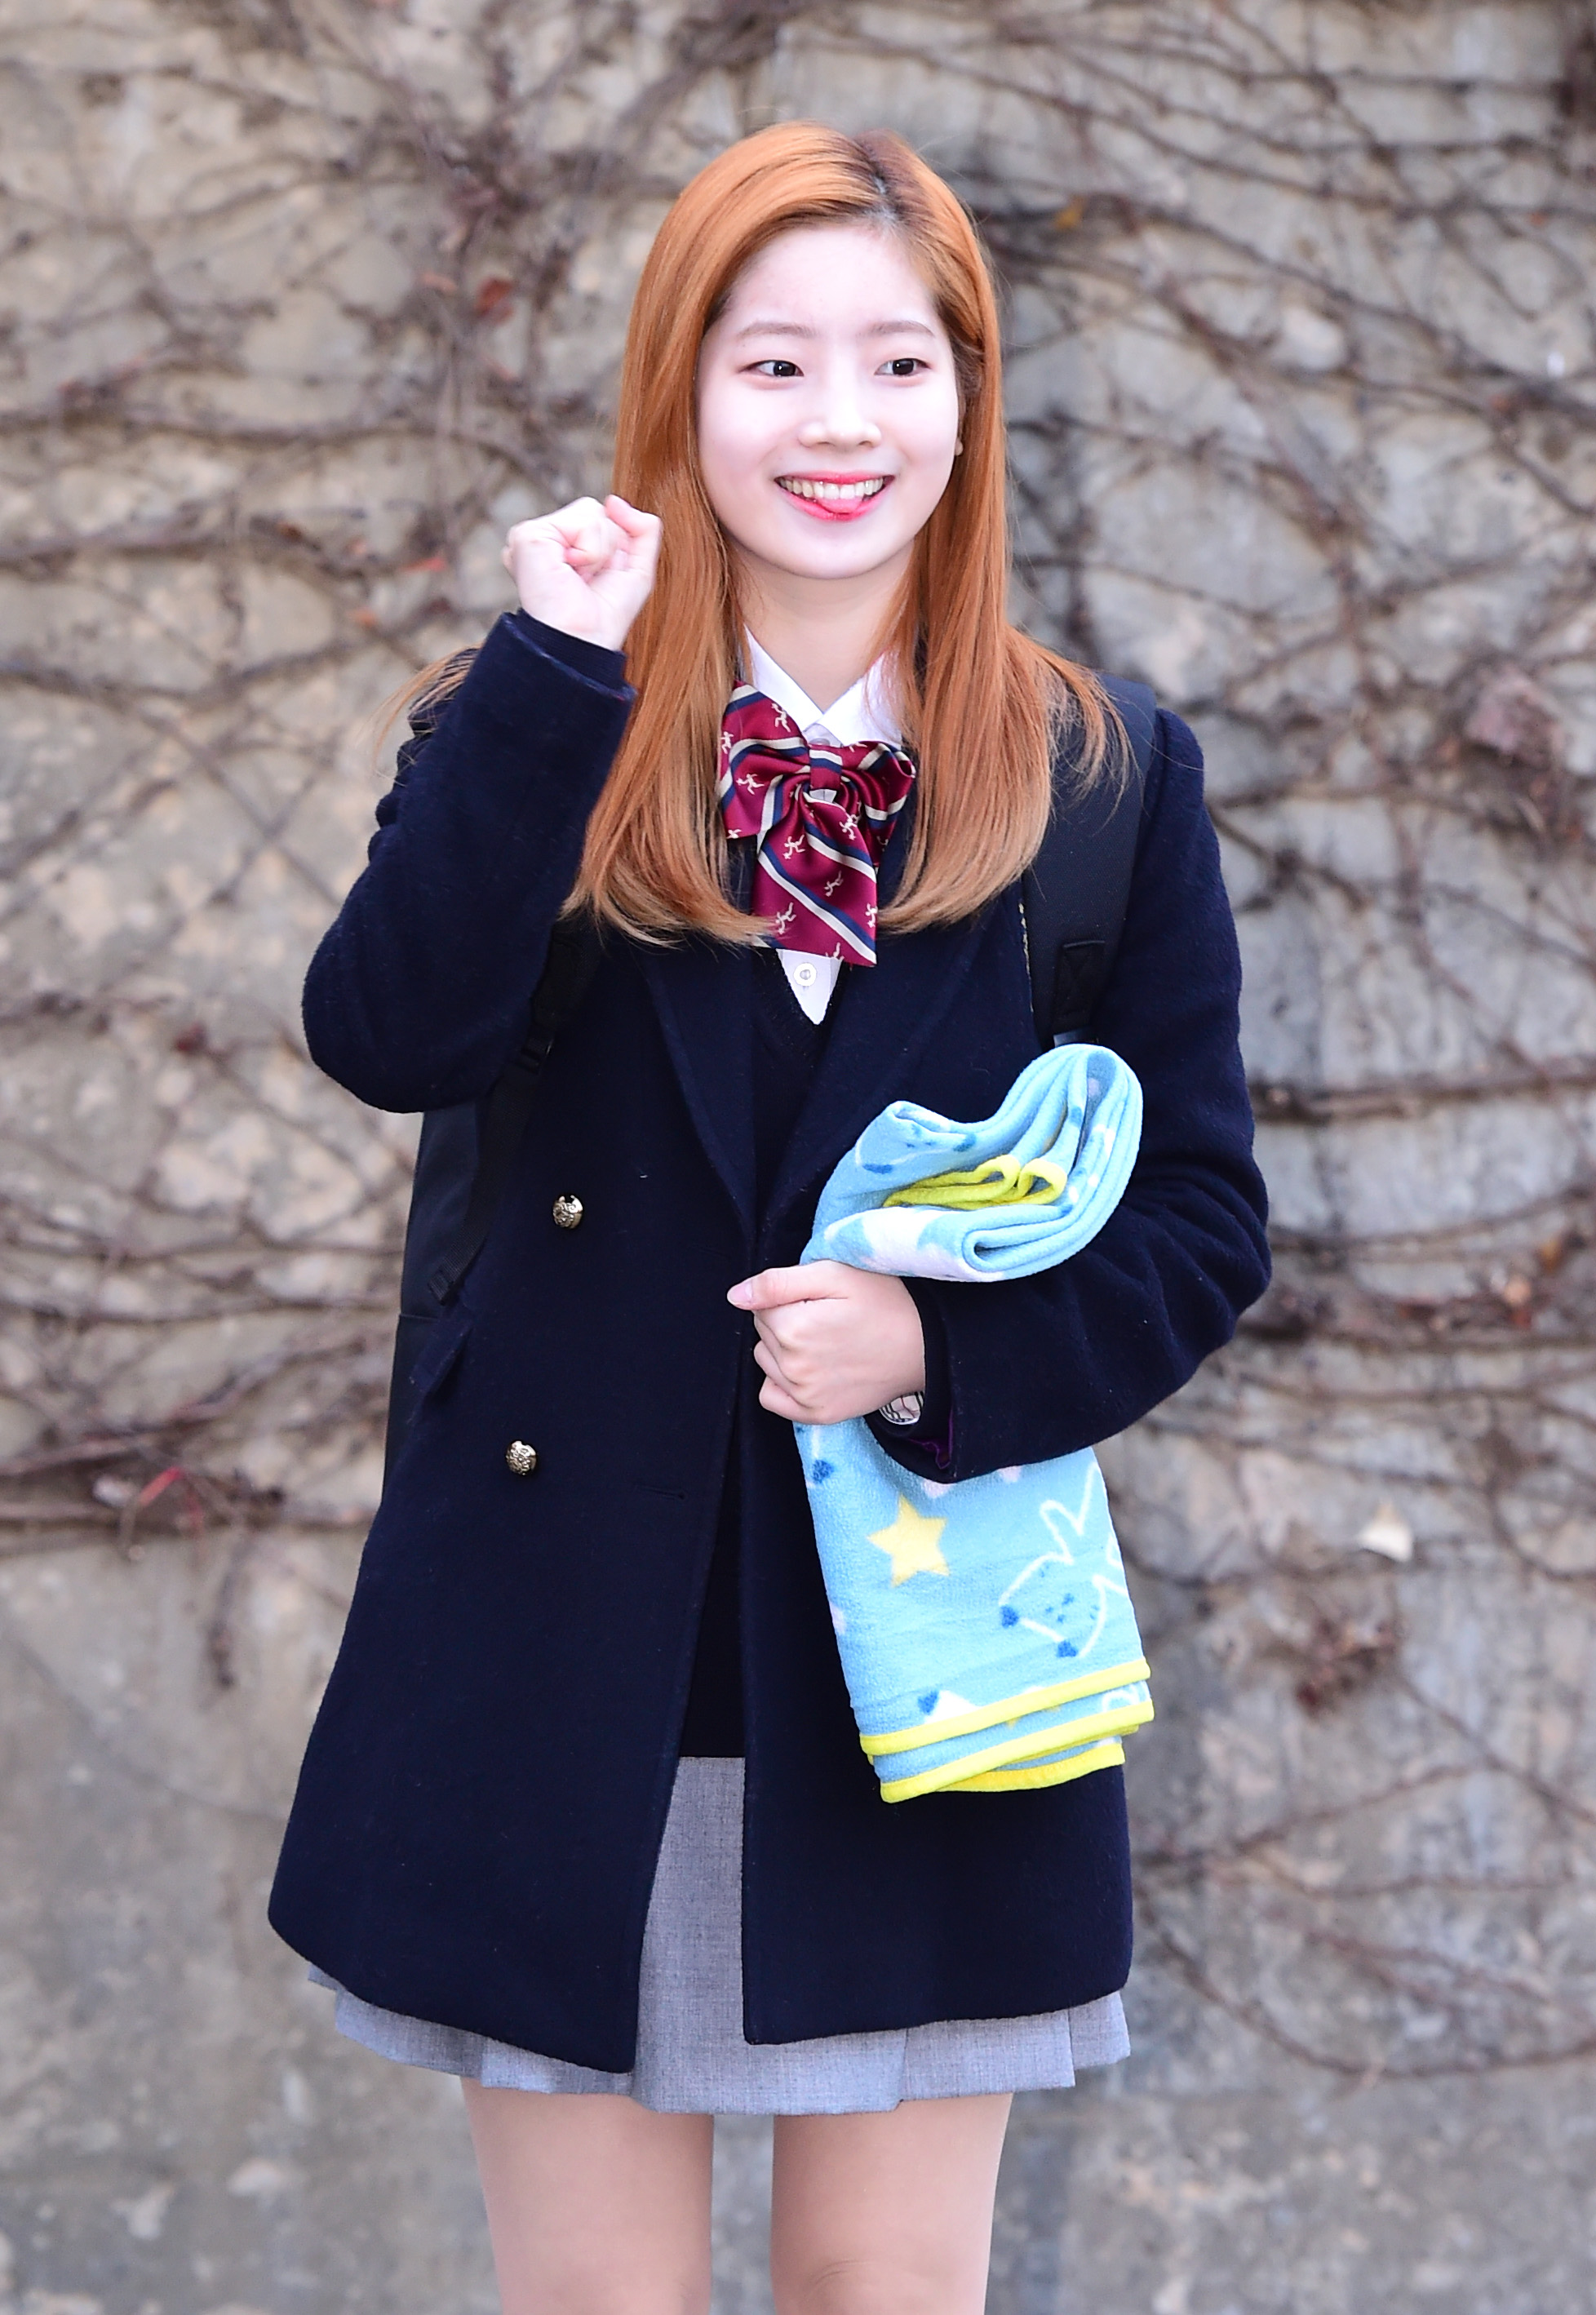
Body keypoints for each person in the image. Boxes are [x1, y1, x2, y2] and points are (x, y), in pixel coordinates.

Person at [269, 121, 1270, 2315]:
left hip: (925, 1673)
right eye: (774, 362)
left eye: (899, 363)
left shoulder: (1100, 780)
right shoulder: (537, 717)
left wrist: (937, 1353)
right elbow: (389, 1034)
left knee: (881, 2296)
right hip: (558, 1659)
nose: (840, 422)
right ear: (681, 390)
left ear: (968, 402)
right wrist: (554, 681)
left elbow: (1202, 1218)